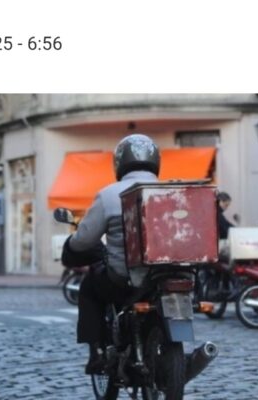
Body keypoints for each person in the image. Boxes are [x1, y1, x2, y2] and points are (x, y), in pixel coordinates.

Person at [61, 133, 160, 374]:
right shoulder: (171, 190)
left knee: (89, 287)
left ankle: (96, 352)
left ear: (120, 162)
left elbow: (84, 240)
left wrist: (72, 243)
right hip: (167, 276)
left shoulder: (108, 195)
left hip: (125, 279)